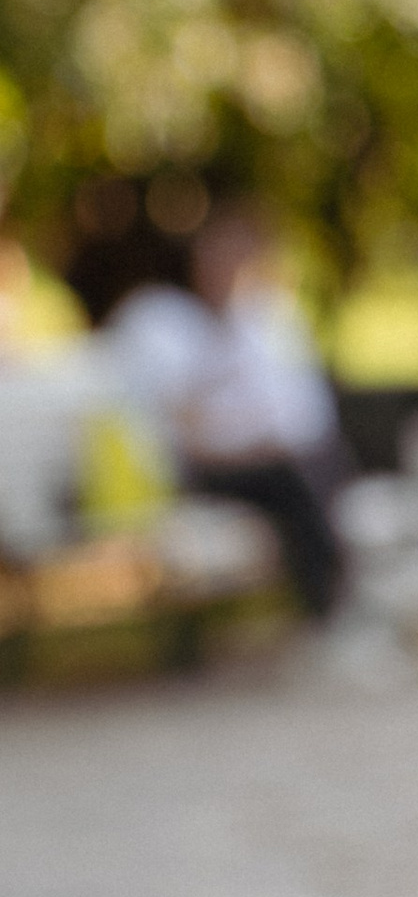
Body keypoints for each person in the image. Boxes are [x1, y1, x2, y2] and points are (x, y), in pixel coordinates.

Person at [97, 195, 348, 620]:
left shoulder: (261, 324)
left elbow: (299, 411)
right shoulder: (166, 328)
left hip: (264, 459)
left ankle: (333, 598)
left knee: (312, 464)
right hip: (209, 468)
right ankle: (327, 608)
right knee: (295, 479)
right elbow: (178, 430)